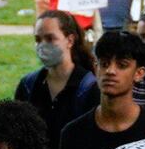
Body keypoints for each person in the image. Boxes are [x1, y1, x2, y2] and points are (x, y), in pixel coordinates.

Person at [17, 9, 96, 142]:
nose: (42, 45)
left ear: (70, 40)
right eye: (38, 40)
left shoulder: (90, 88)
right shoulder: (28, 85)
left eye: (50, 39)